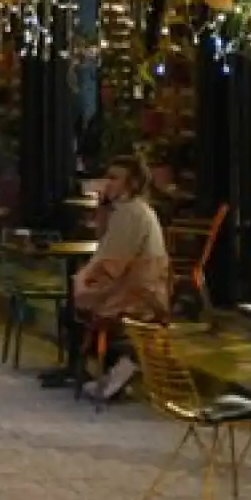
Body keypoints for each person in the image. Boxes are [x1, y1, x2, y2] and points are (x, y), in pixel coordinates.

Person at [68, 154, 171, 401]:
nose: (108, 183)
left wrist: (84, 279)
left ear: (131, 183)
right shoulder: (122, 210)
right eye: (107, 177)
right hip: (131, 282)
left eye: (114, 178)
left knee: (82, 303)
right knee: (78, 298)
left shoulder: (133, 213)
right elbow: (107, 247)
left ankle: (117, 370)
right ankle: (110, 371)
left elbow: (113, 259)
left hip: (139, 290)